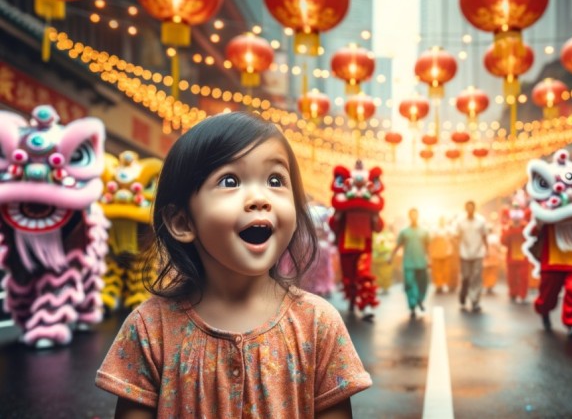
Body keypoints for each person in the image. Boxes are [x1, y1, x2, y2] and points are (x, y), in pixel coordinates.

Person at [95, 112, 371, 418]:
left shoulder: (319, 324)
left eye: (275, 180)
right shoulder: (149, 329)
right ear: (182, 222)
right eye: (230, 181)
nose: (260, 198)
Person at [392, 208, 430, 319]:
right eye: (411, 215)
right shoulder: (404, 232)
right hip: (408, 263)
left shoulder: (424, 231)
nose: (414, 217)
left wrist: (430, 260)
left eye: (415, 215)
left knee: (423, 284)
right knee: (409, 284)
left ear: (418, 216)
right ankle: (412, 305)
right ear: (409, 217)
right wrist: (391, 256)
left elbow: (428, 247)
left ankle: (420, 300)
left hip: (421, 263)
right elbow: (398, 245)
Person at [455, 201, 488, 312]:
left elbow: (484, 236)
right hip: (464, 254)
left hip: (478, 253)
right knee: (466, 277)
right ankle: (463, 295)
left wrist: (486, 249)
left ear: (474, 208)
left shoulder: (481, 221)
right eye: (468, 207)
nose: (470, 209)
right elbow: (456, 237)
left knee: (476, 277)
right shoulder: (460, 221)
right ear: (465, 209)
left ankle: (475, 301)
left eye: (471, 207)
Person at [429, 216, 455, 293]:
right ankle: (439, 286)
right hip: (436, 253)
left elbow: (453, 238)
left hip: (446, 253)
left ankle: (445, 284)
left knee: (446, 270)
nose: (442, 222)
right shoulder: (434, 229)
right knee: (437, 271)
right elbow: (431, 240)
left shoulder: (449, 229)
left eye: (443, 220)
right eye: (441, 220)